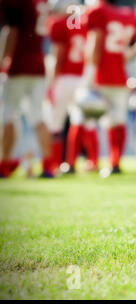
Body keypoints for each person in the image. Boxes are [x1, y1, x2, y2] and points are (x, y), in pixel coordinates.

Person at [83, 0, 136, 175]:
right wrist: (126, 54)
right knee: (118, 120)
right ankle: (115, 162)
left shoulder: (97, 11)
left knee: (87, 119)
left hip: (101, 74)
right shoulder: (128, 14)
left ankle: (92, 161)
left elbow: (95, 43)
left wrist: (90, 73)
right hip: (120, 76)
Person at [0, 0, 53, 178]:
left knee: (8, 114)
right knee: (38, 116)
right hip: (39, 63)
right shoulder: (42, 2)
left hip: (19, 65)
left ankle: (5, 163)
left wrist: (3, 61)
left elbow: (12, 31)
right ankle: (48, 164)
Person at [47, 0, 99, 174]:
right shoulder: (86, 24)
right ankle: (89, 161)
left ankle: (55, 164)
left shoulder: (59, 23)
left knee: (56, 123)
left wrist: (52, 82)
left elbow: (58, 54)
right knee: (83, 121)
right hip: (83, 78)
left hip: (65, 78)